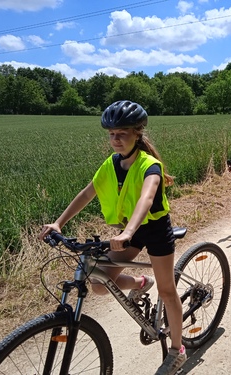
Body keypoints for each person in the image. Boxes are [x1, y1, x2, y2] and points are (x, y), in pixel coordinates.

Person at [38, 100, 187, 375]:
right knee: (98, 281)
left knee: (167, 291)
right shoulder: (112, 164)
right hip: (128, 229)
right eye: (111, 134)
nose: (115, 139)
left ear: (137, 133)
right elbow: (87, 192)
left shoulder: (149, 165)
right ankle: (141, 282)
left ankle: (177, 351)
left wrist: (129, 231)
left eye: (122, 133)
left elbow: (147, 197)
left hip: (153, 228)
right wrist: (58, 223)